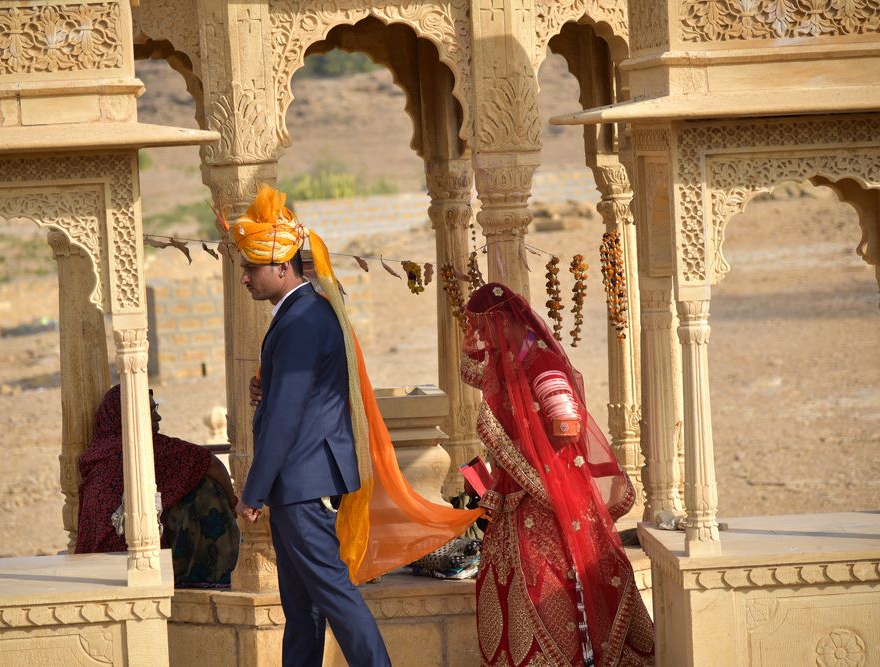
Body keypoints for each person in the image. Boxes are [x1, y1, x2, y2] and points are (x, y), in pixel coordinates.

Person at [225, 184, 481, 666]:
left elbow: (286, 417)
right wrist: (268, 389)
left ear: (282, 268)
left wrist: (253, 492)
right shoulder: (303, 313)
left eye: (251, 267)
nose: (244, 277)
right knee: (302, 605)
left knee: (334, 596)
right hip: (302, 480)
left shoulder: (301, 320)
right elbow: (297, 396)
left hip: (301, 481)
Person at [462, 282, 654, 667]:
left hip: (549, 495)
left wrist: (527, 450)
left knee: (550, 583)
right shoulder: (507, 363)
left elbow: (567, 424)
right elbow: (473, 371)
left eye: (484, 327)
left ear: (503, 321)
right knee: (510, 583)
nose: (481, 337)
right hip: (516, 497)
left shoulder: (542, 364)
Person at [75, 384, 241, 588]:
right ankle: (213, 573)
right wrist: (232, 502)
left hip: (92, 562)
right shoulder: (145, 447)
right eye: (151, 411)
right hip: (134, 562)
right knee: (208, 489)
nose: (158, 418)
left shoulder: (96, 454)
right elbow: (211, 463)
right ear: (130, 416)